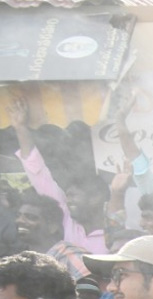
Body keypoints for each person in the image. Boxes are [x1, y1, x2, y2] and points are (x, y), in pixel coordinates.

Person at [8, 95, 107, 254]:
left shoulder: (114, 231)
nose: (68, 202)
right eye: (68, 196)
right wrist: (21, 129)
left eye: (74, 196)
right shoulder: (68, 219)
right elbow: (38, 173)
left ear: (97, 198)